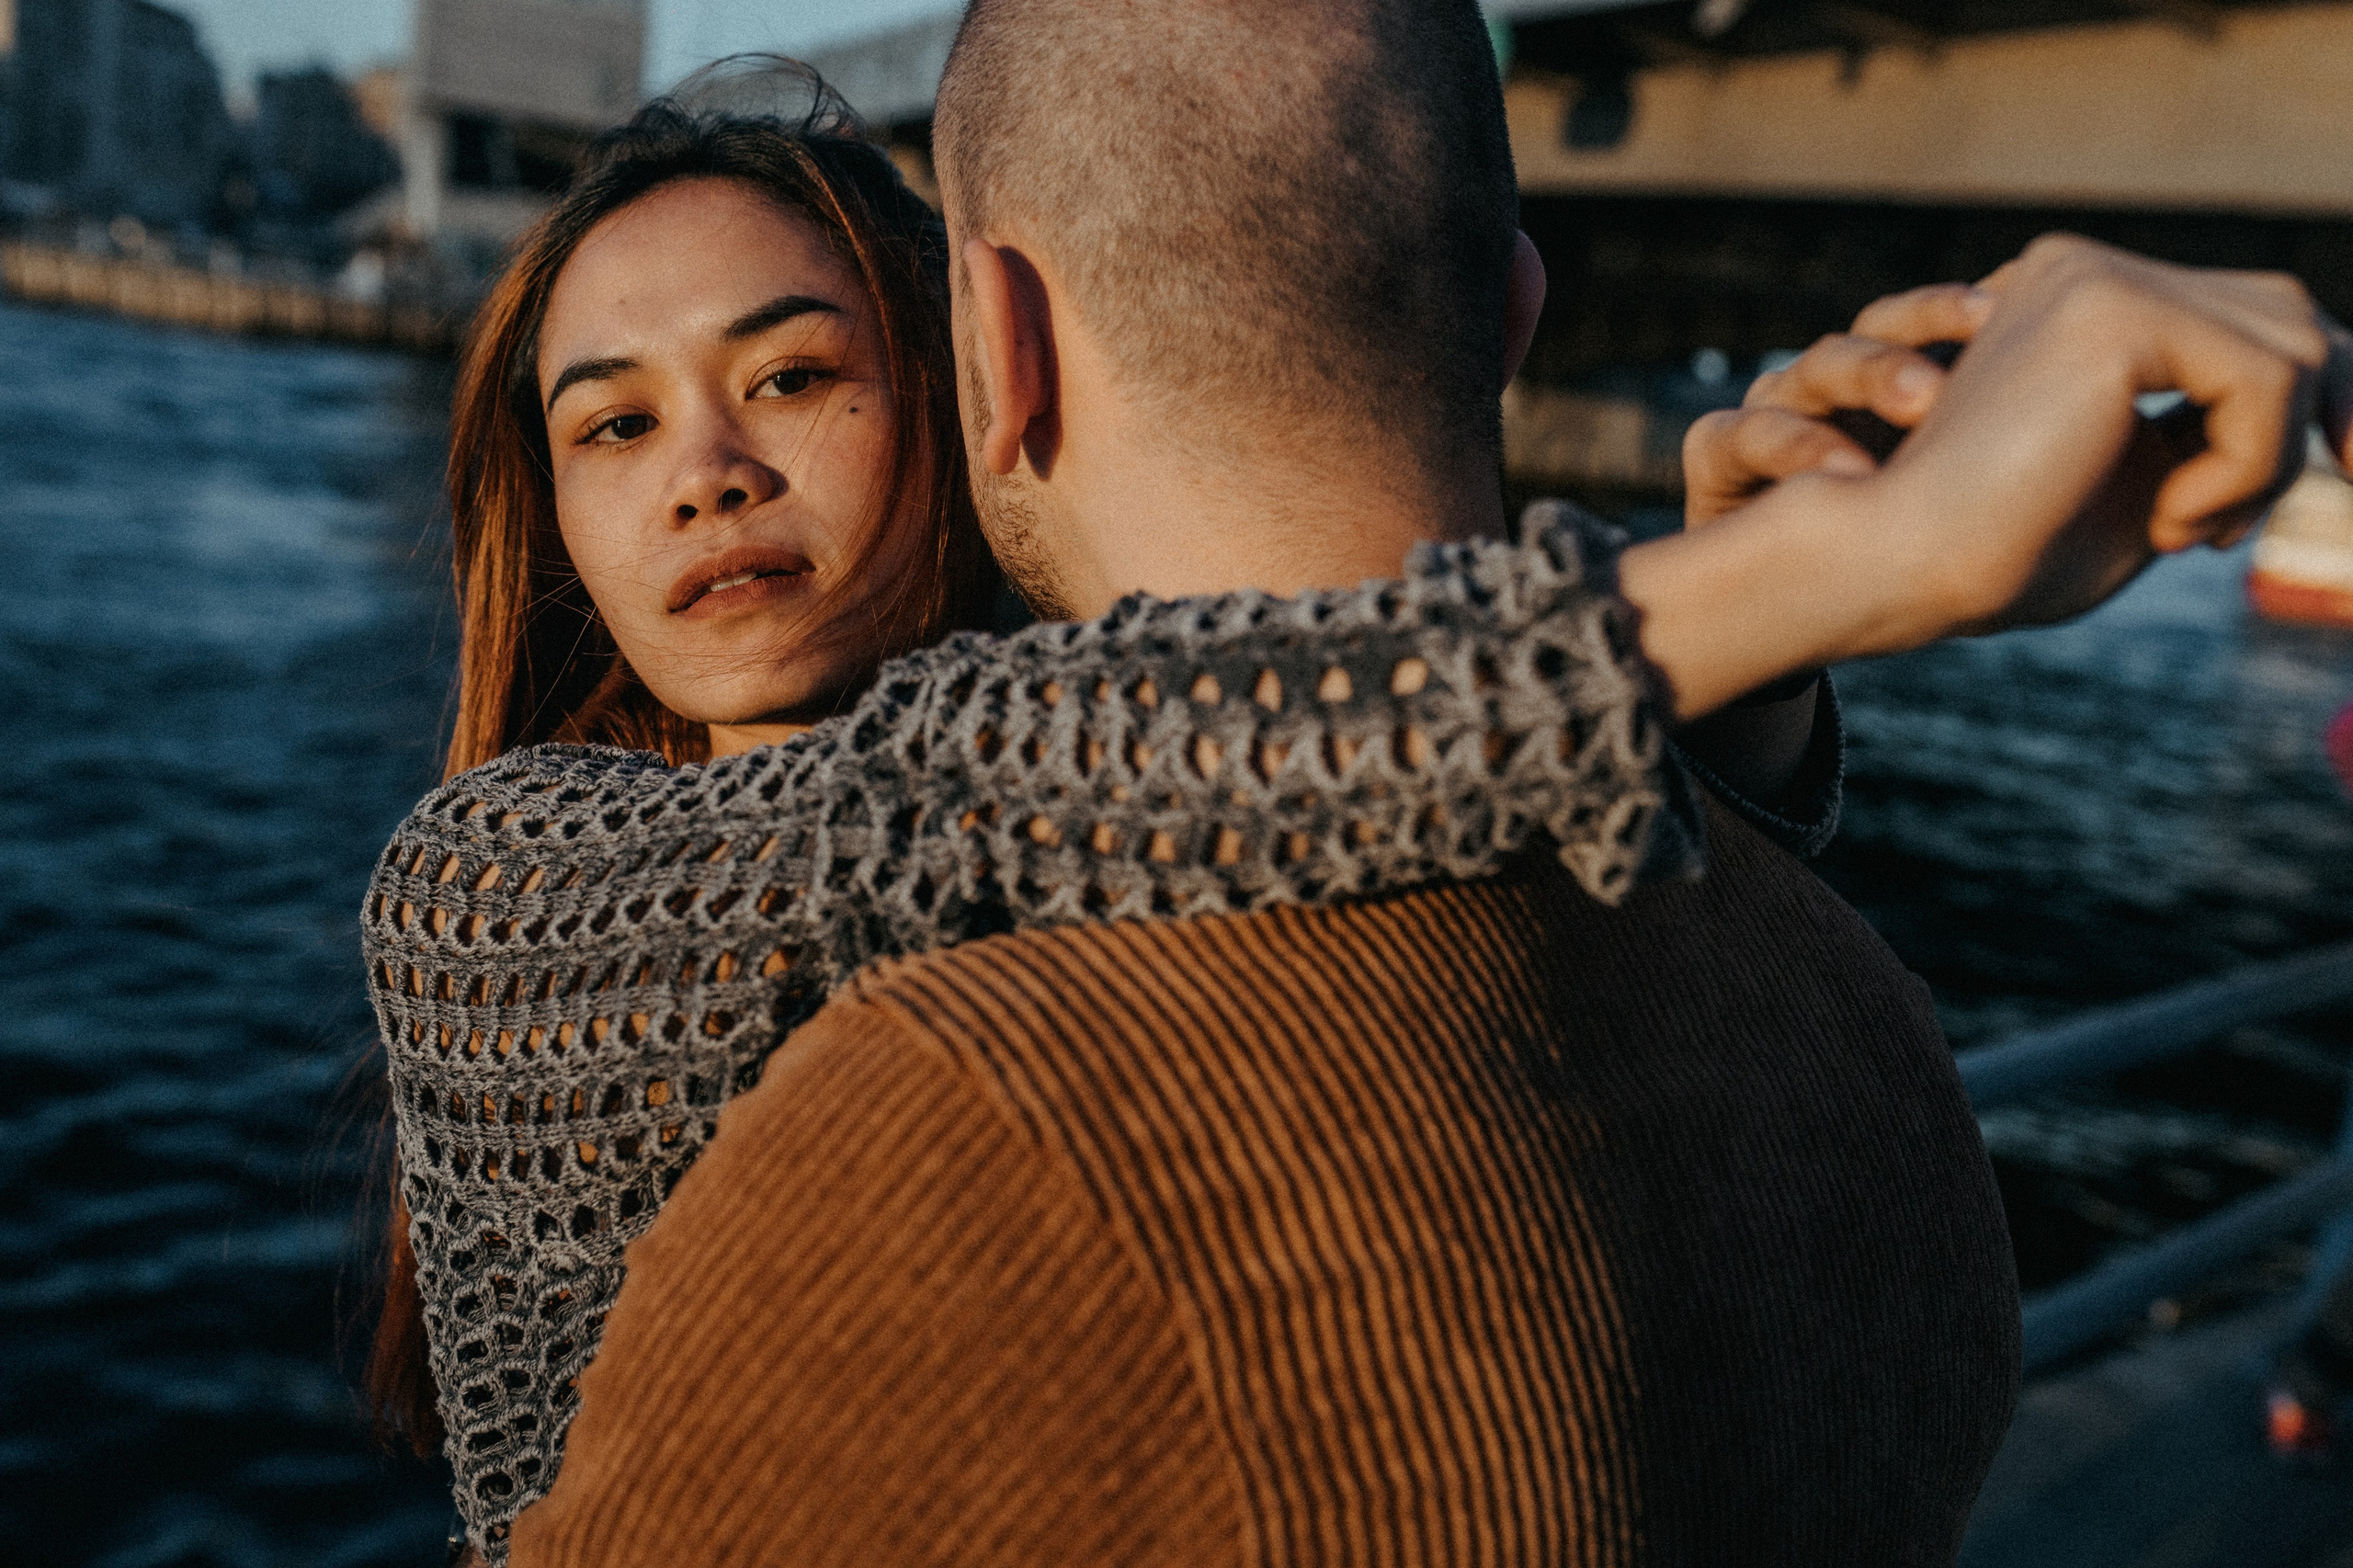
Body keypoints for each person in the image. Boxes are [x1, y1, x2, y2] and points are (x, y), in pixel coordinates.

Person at [365, 6, 2351, 1568]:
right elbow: (948, 800)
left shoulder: (1175, 823)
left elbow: (1203, 773)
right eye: (607, 425)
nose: (702, 472)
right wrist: (1843, 567)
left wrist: (1746, 697)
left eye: (793, 375)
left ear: (982, 368)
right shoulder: (490, 892)